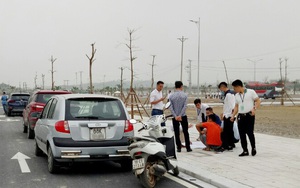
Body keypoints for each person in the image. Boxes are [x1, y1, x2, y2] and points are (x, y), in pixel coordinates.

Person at [231, 79, 261, 157]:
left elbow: (258, 101)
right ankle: (245, 150)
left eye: (235, 88)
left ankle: (253, 148)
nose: (234, 90)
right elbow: (236, 106)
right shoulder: (236, 95)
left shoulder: (251, 92)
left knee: (250, 133)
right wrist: (233, 115)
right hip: (241, 116)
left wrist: (254, 108)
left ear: (238, 86)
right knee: (242, 134)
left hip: (249, 115)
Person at [169, 81, 192, 152]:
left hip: (175, 116)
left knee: (176, 132)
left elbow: (170, 107)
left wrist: (176, 116)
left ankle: (178, 147)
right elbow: (185, 106)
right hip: (183, 116)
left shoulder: (171, 96)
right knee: (186, 131)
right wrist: (180, 115)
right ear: (181, 86)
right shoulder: (185, 95)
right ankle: (188, 147)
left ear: (175, 87)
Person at [218, 82, 236, 151]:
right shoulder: (229, 94)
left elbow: (232, 106)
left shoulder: (229, 94)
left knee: (227, 131)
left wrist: (232, 115)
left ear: (223, 87)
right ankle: (231, 144)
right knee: (229, 130)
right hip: (228, 114)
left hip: (229, 115)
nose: (221, 91)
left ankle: (227, 145)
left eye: (220, 89)